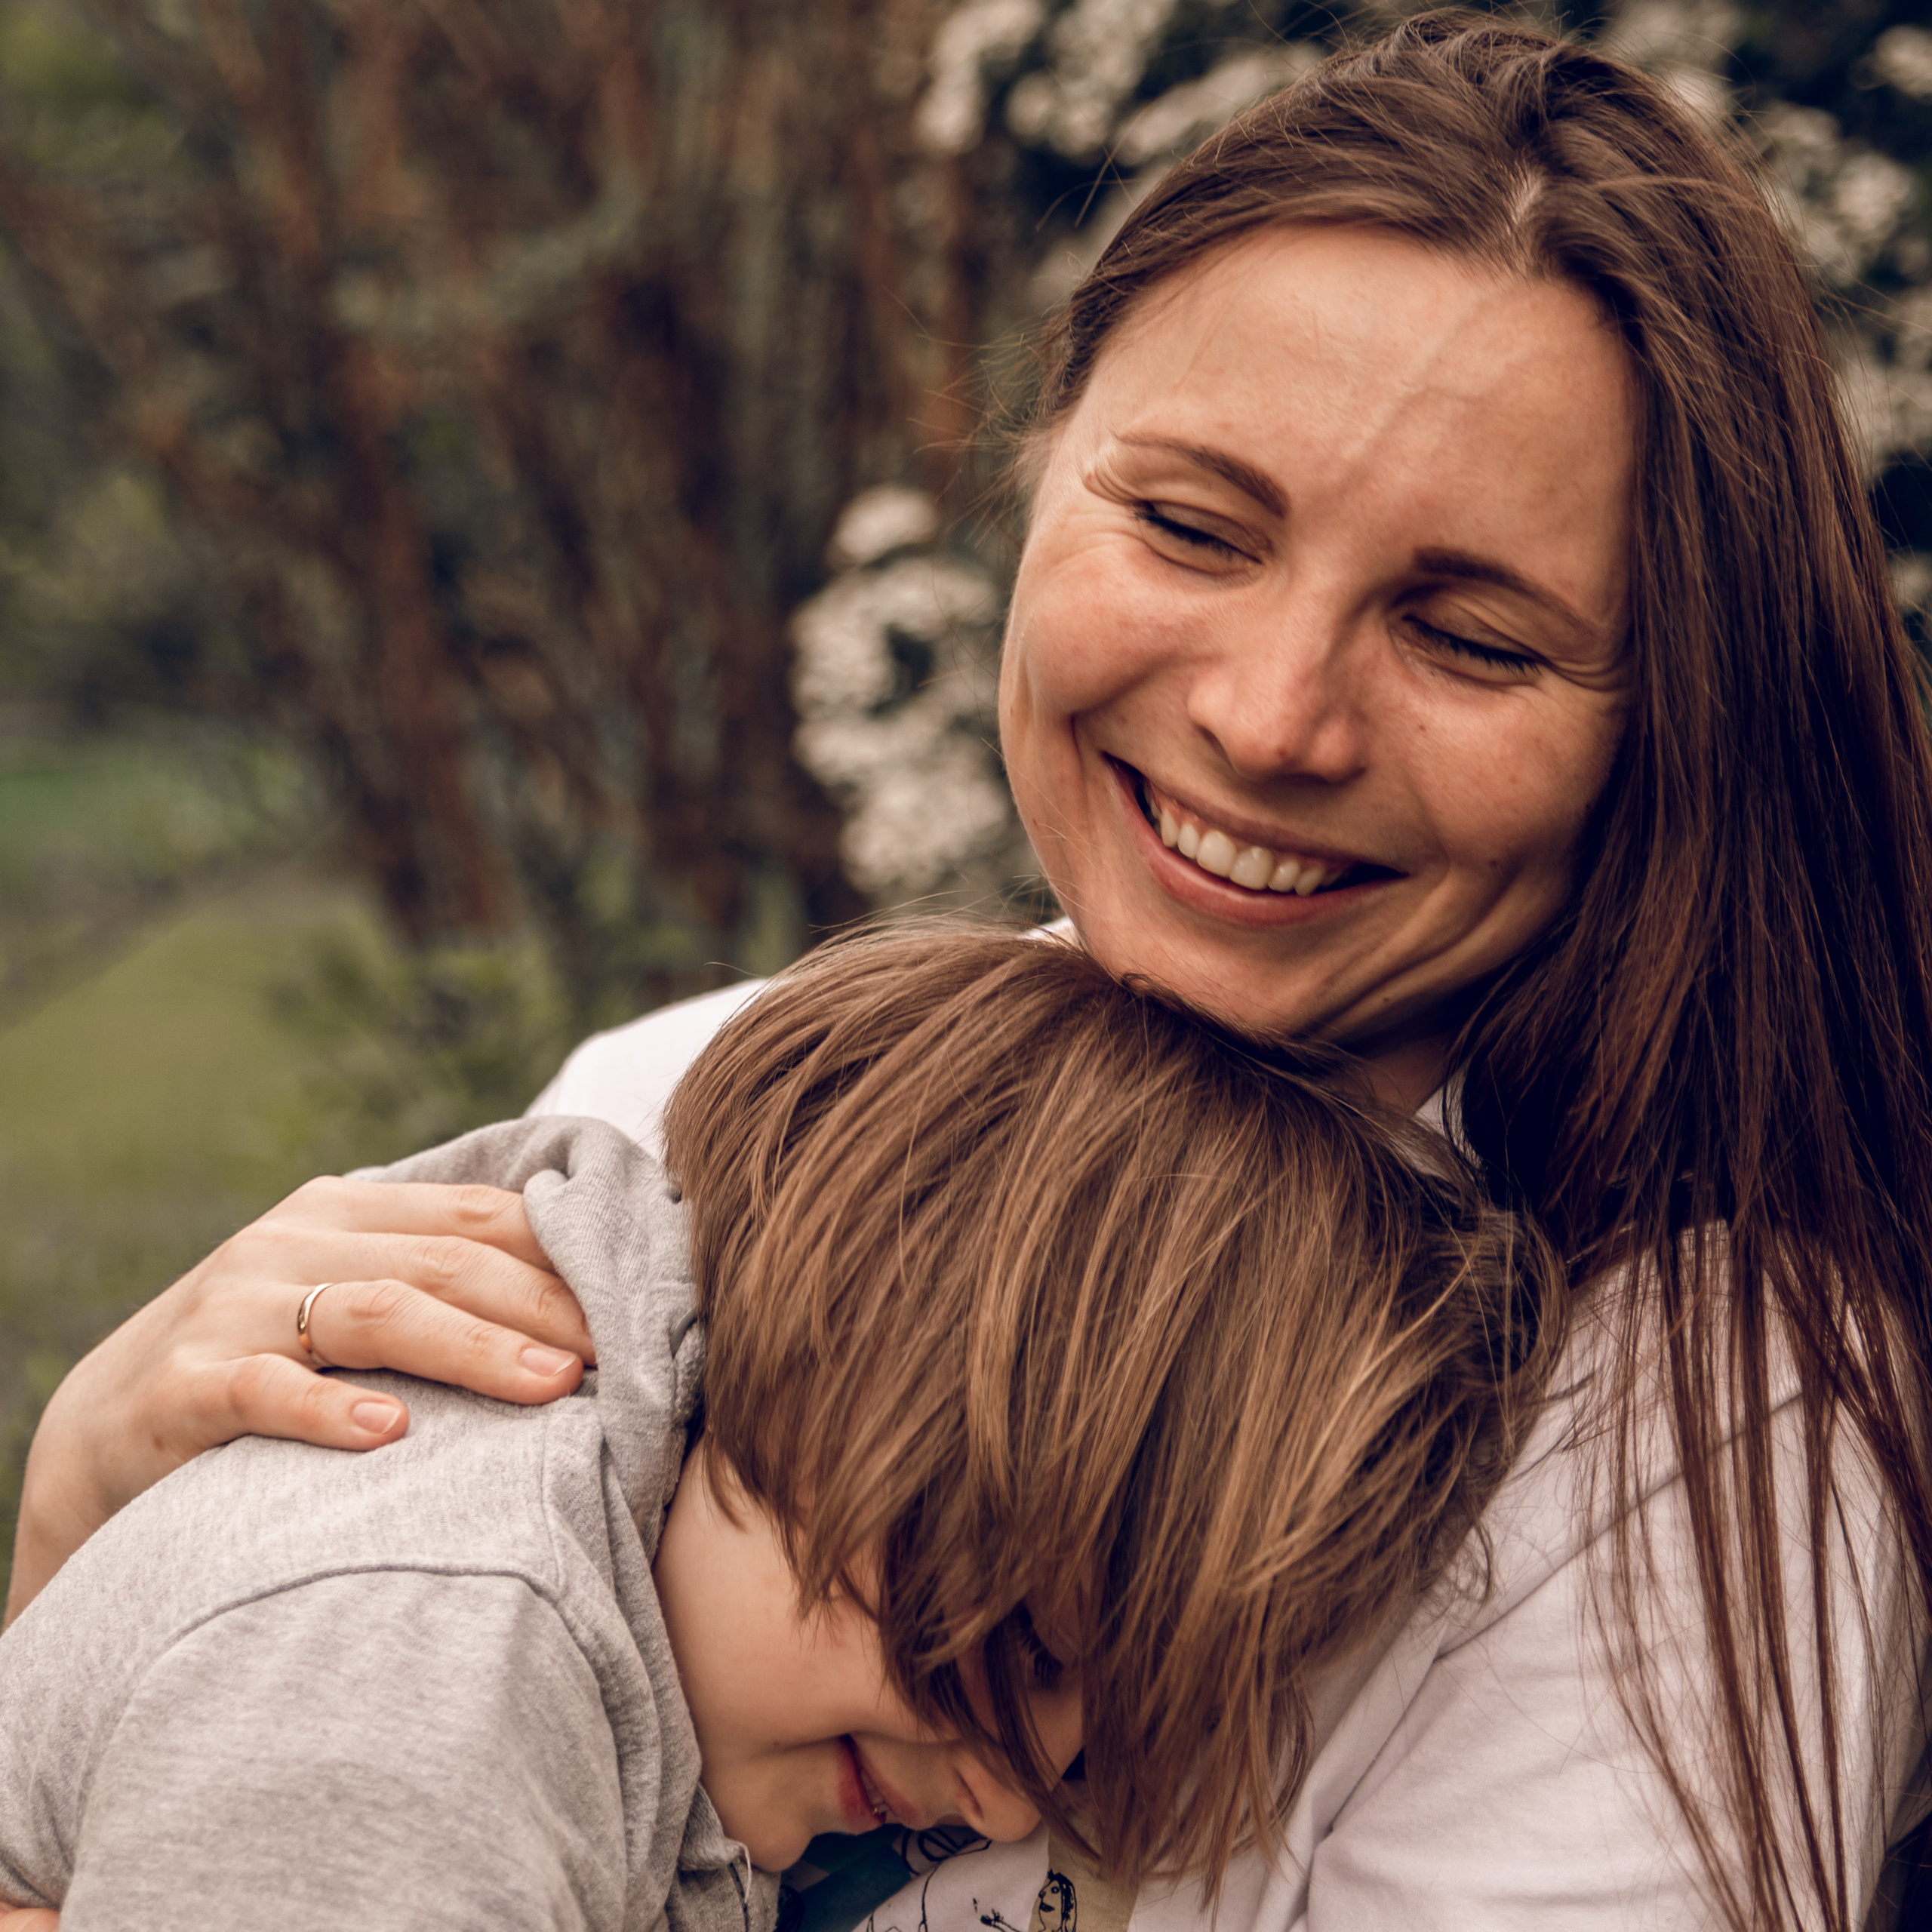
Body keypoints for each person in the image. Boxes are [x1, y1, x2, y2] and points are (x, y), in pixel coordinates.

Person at [5, 10, 1930, 1928]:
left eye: (1471, 637)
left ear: (1672, 715)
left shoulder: (1689, 1437)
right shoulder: (671, 1119)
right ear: (1032, 466)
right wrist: (86, 1516)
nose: (1269, 719)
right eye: (1188, 524)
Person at [0, 927, 1549, 1930]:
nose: (1007, 1798)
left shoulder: (652, 1558)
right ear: (831, 1346)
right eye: (984, 1639)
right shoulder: (433, 1670)